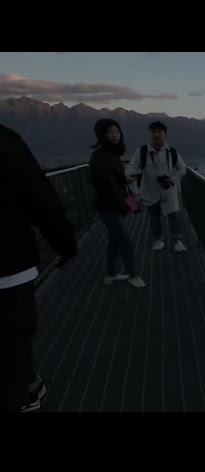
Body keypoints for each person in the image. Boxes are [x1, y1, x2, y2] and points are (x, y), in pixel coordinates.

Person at [0, 123, 78, 412]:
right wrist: (65, 245)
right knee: (13, 339)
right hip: (8, 266)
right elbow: (40, 199)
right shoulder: (5, 142)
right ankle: (24, 394)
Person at [88, 118, 145, 288]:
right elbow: (99, 180)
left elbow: (114, 175)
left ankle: (110, 274)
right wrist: (119, 188)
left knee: (114, 240)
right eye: (110, 132)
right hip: (108, 207)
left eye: (117, 131)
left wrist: (123, 179)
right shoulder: (98, 155)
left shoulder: (113, 153)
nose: (115, 135)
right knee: (125, 240)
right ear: (101, 135)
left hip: (117, 204)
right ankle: (133, 275)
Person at [125, 121, 187, 253]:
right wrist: (129, 175)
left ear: (165, 135)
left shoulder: (172, 152)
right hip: (150, 191)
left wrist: (172, 180)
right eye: (153, 132)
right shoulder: (142, 151)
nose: (156, 134)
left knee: (174, 216)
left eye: (159, 132)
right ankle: (158, 239)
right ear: (150, 134)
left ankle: (177, 240)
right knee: (154, 218)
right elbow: (132, 165)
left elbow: (182, 169)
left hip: (168, 190)